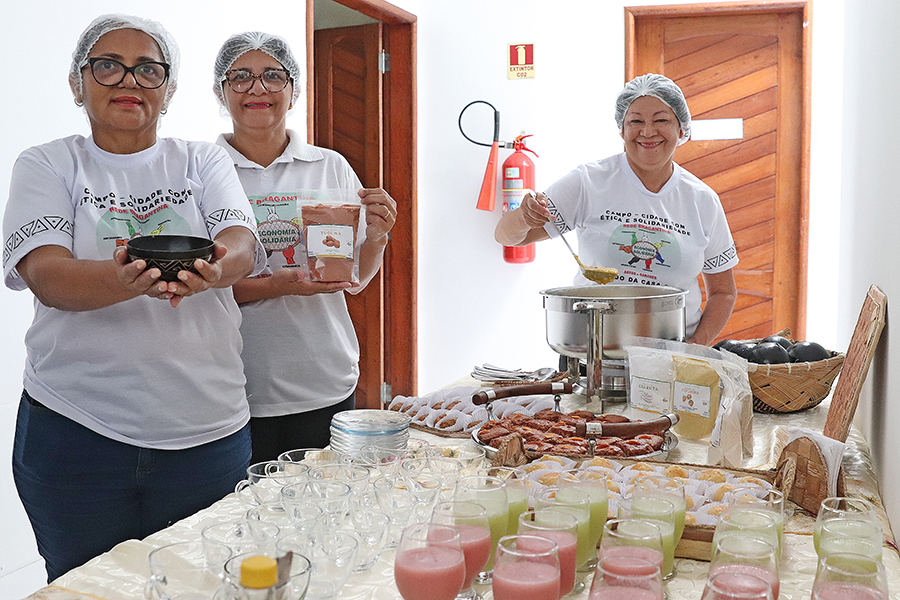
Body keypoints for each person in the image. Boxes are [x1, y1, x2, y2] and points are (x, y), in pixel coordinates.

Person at [3, 14, 264, 581]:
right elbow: (48, 275)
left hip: (206, 430)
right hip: (77, 430)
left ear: (168, 91)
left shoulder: (201, 159)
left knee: (203, 586)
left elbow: (240, 242)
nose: (129, 80)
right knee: (87, 586)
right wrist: (127, 278)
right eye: (108, 65)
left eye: (148, 69)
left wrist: (214, 271)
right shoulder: (48, 163)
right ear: (78, 83)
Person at [212, 32, 397, 462]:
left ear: (294, 91)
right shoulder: (204, 172)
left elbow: (355, 278)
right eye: (240, 77)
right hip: (235, 388)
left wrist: (378, 235)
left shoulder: (329, 166)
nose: (258, 88)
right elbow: (198, 285)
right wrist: (277, 285)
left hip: (323, 379)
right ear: (222, 92)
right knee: (246, 521)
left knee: (323, 514)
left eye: (273, 76)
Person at [495, 73, 738, 345]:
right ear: (622, 129)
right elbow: (507, 237)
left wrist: (695, 347)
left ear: (682, 129)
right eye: (636, 121)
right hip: (592, 349)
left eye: (661, 120)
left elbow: (723, 292)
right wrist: (522, 216)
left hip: (673, 356)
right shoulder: (588, 182)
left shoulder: (702, 200)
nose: (647, 131)